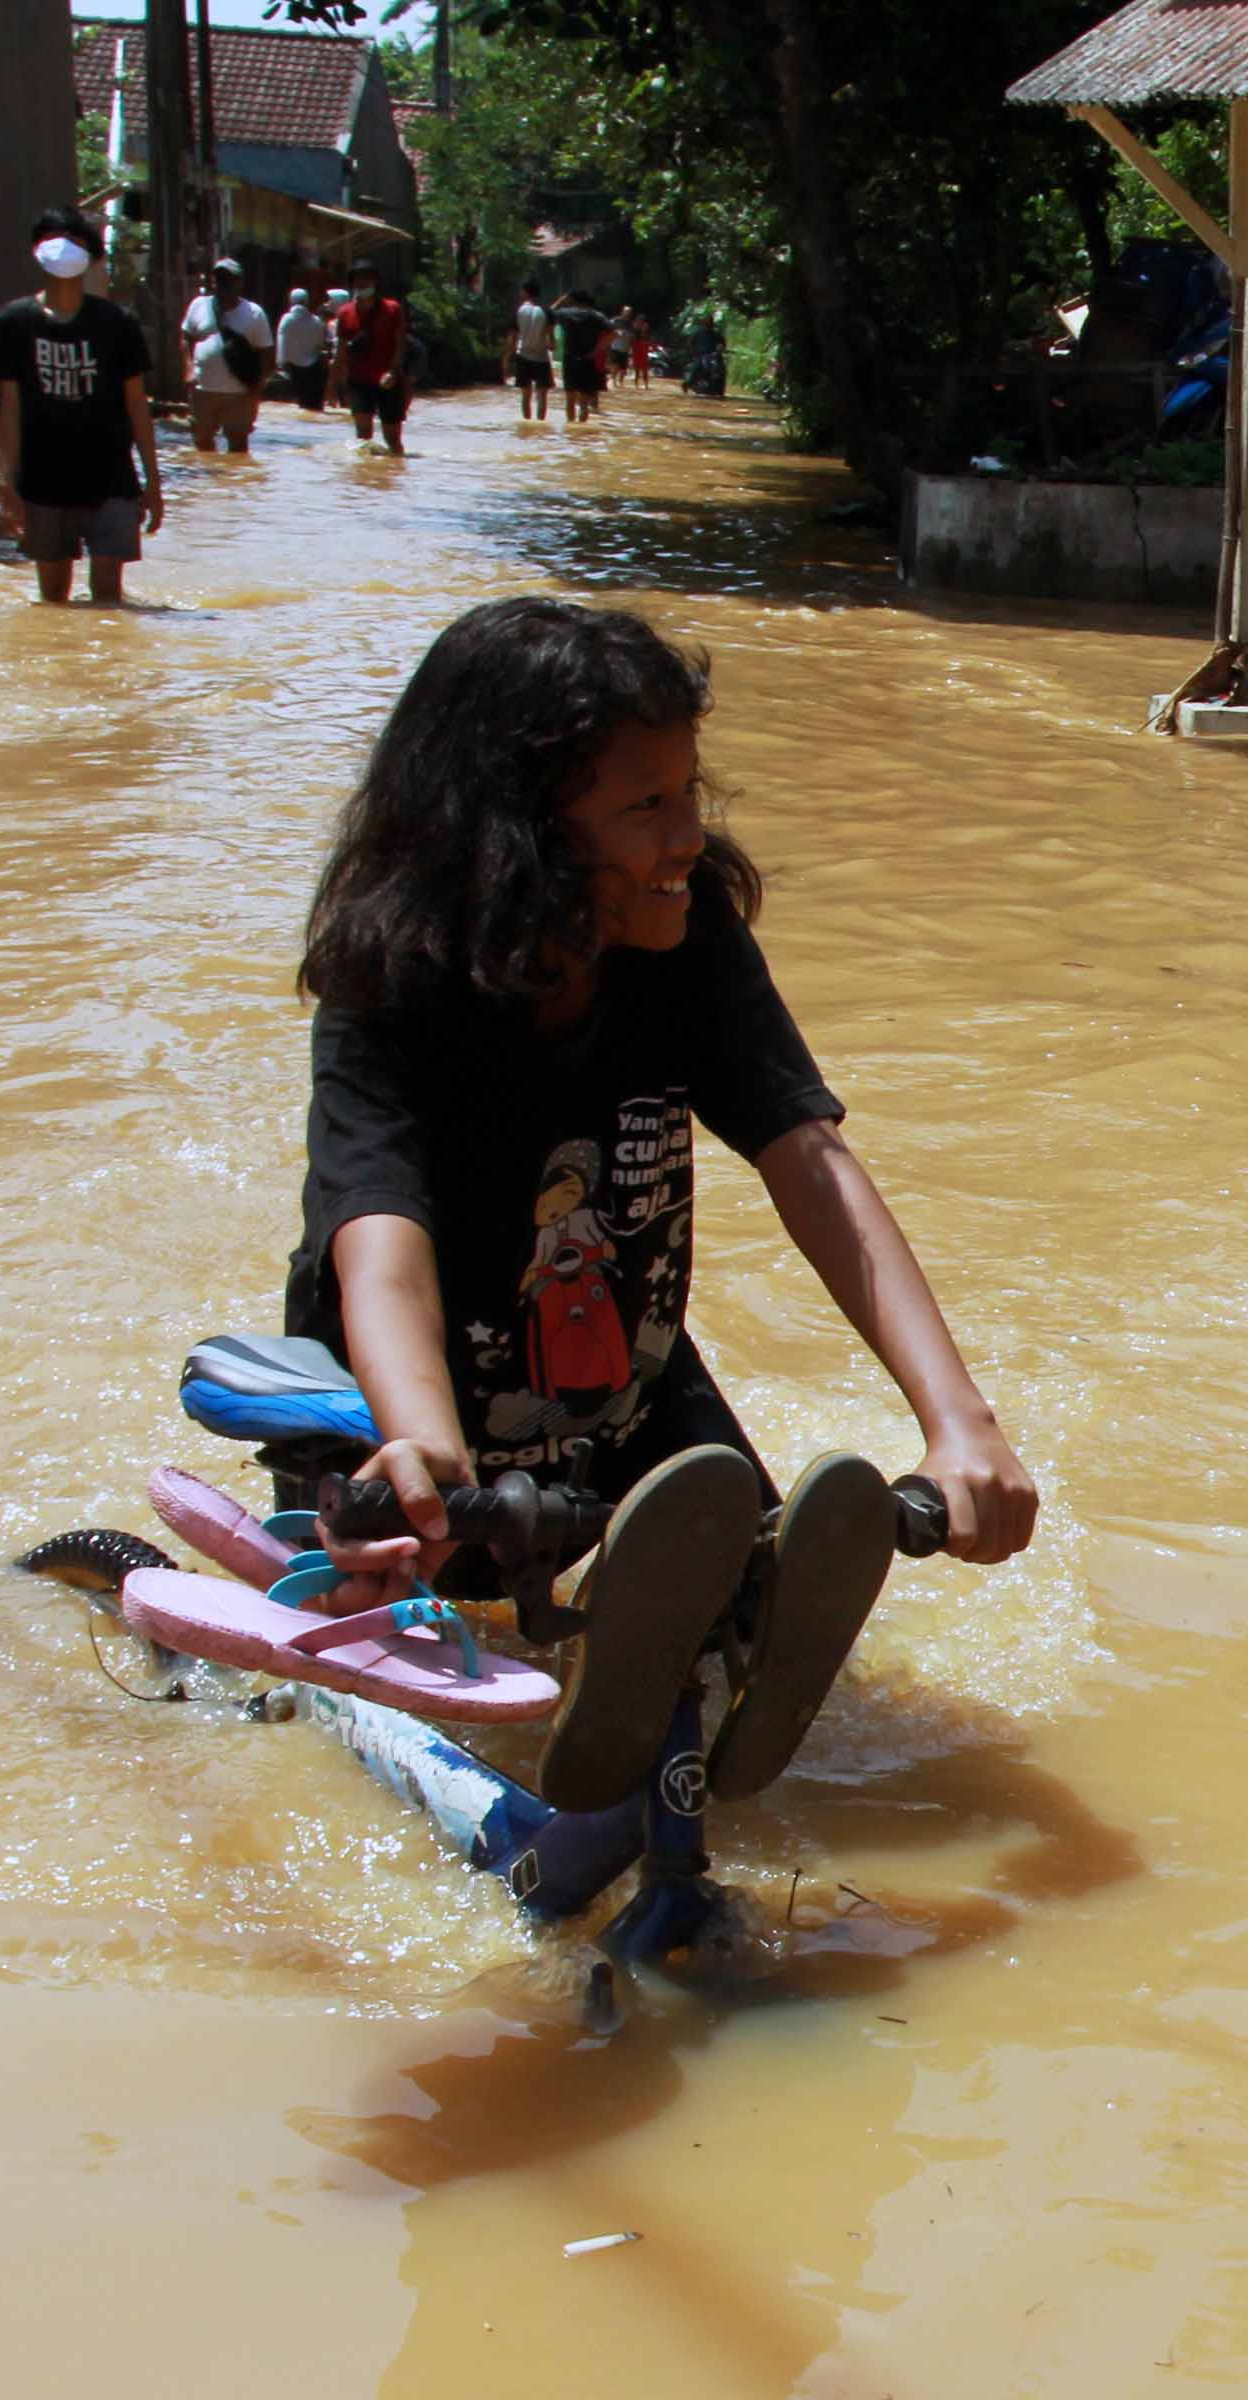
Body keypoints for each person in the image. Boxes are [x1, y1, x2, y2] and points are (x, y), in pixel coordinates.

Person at [293, 597, 1039, 1810]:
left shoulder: (682, 944)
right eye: (647, 806)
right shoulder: (390, 984)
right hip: (404, 1433)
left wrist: (958, 1422)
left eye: (691, 792)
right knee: (372, 1709)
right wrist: (423, 1442)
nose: (689, 834)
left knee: (769, 1617)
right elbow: (378, 1235)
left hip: (623, 1400)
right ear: (518, 834)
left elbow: (810, 1158)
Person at [0, 211, 161, 607]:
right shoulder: (12, 323)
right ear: (36, 250)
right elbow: (8, 410)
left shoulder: (118, 324)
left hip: (111, 478)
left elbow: (137, 405)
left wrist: (153, 480)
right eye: (52, 237)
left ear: (92, 255)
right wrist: (6, 482)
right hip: (43, 480)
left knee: (108, 601)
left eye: (74, 240)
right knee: (52, 604)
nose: (63, 246)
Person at [178, 257, 272, 457]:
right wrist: (188, 369)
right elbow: (185, 337)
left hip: (240, 394)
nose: (222, 285)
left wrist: (256, 389)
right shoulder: (198, 305)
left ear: (240, 283)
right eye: (219, 279)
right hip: (203, 390)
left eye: (229, 280)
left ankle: (236, 486)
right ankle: (208, 486)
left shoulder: (255, 313)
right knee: (201, 444)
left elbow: (265, 354)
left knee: (238, 450)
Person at [335, 265, 411, 457]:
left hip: (388, 381)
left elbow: (400, 343)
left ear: (375, 282)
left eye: (367, 279)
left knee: (392, 438)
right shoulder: (344, 313)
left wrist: (393, 371)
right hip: (358, 380)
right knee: (363, 439)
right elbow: (341, 350)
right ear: (352, 284)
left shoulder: (392, 309)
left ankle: (395, 470)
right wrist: (334, 382)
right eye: (358, 280)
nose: (363, 283)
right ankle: (364, 480)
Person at [553, 286, 611, 426]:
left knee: (570, 398)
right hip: (588, 360)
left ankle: (571, 429)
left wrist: (561, 300)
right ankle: (581, 429)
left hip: (569, 359)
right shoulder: (596, 316)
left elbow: (549, 312)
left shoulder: (566, 314)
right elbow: (614, 334)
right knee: (584, 401)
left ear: (572, 300)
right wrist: (597, 350)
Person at [274, 287, 331, 412]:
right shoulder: (316, 321)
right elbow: (320, 344)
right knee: (311, 407)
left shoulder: (286, 319)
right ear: (307, 301)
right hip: (312, 371)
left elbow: (281, 344)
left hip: (291, 369)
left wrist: (280, 365)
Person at [510, 278, 555, 424]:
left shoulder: (518, 311)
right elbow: (552, 341)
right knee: (542, 396)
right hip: (541, 358)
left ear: (525, 292)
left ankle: (527, 425)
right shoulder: (546, 311)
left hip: (523, 356)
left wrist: (508, 358)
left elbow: (513, 339)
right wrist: (552, 346)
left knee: (526, 395)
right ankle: (540, 425)